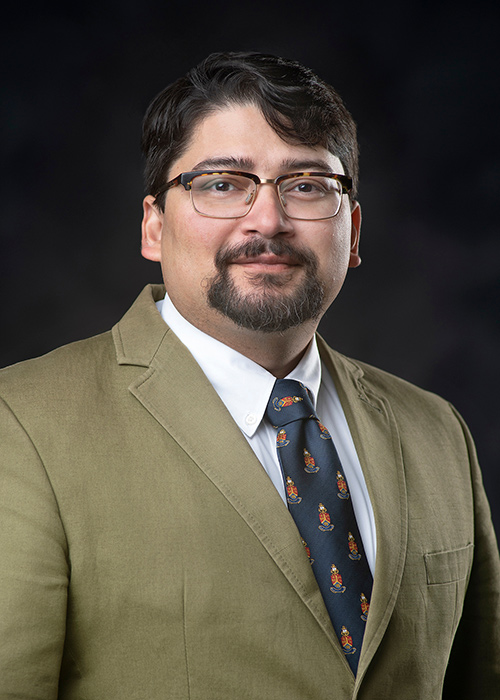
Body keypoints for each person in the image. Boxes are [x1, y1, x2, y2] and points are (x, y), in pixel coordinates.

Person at [0, 51, 498, 700]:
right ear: (153, 225)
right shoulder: (24, 425)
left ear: (351, 231)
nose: (268, 220)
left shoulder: (436, 432)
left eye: (308, 185)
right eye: (222, 183)